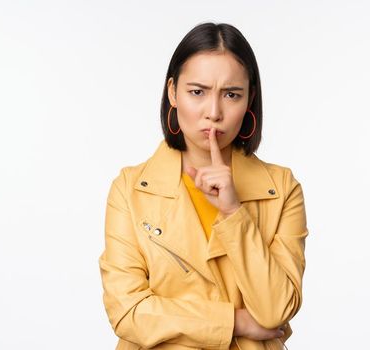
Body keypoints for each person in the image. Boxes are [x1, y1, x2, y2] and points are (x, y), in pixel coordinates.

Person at [98, 22, 308, 350]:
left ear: (250, 98)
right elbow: (127, 312)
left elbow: (276, 309)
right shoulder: (131, 189)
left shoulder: (281, 189)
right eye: (197, 92)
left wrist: (234, 212)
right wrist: (234, 322)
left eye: (231, 94)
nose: (214, 112)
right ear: (173, 93)